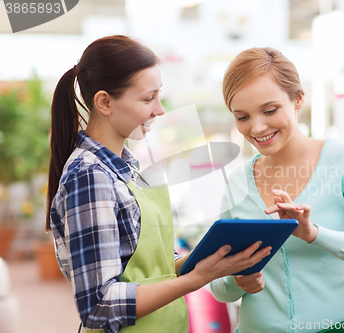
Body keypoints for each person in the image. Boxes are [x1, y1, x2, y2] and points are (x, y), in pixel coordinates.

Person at [46, 35, 271, 333]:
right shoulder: (89, 176)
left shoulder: (127, 168)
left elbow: (150, 269)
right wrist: (196, 278)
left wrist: (210, 259)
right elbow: (99, 306)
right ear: (104, 102)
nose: (160, 109)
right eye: (147, 98)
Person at [210, 47, 344, 332]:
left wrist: (315, 234)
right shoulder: (238, 183)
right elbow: (220, 289)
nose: (257, 127)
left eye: (270, 110)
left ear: (298, 99)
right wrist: (237, 280)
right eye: (242, 117)